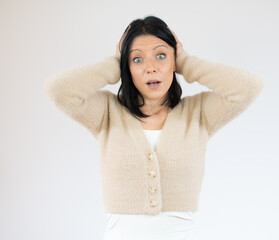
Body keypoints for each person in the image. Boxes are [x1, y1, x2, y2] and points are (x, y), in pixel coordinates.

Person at [43, 16, 263, 240]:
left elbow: (248, 87)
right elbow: (58, 90)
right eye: (137, 59)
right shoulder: (107, 112)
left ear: (173, 61)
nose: (151, 68)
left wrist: (186, 62)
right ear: (127, 67)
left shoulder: (199, 113)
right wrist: (115, 63)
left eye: (161, 56)